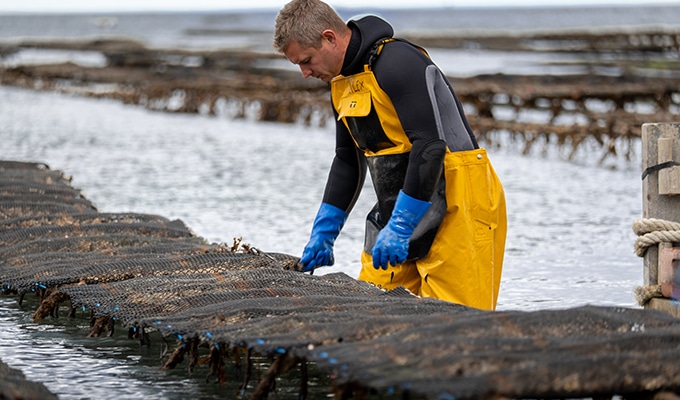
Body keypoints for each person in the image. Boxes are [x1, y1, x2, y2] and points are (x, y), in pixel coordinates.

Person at [273, 0, 507, 310]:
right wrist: (324, 232)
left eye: (306, 60)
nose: (304, 73)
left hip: (459, 198)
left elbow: (429, 146)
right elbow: (346, 159)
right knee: (371, 308)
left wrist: (400, 226)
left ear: (329, 37)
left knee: (454, 320)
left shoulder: (397, 62)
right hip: (398, 201)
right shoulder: (339, 83)